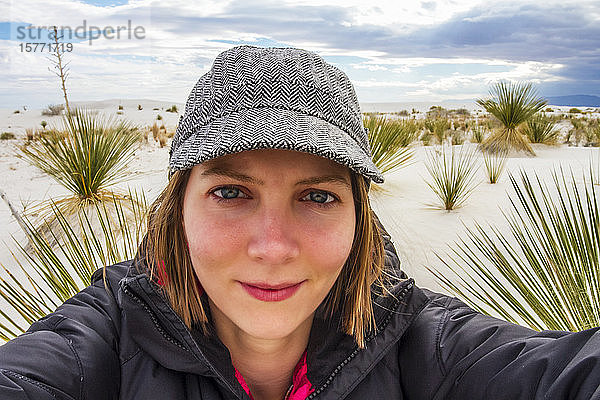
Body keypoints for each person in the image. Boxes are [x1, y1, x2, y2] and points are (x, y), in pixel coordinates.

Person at [1, 45, 599, 400]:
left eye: (317, 197)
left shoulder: (427, 343)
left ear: (360, 221)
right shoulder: (105, 337)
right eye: (231, 191)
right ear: (176, 208)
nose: (273, 247)